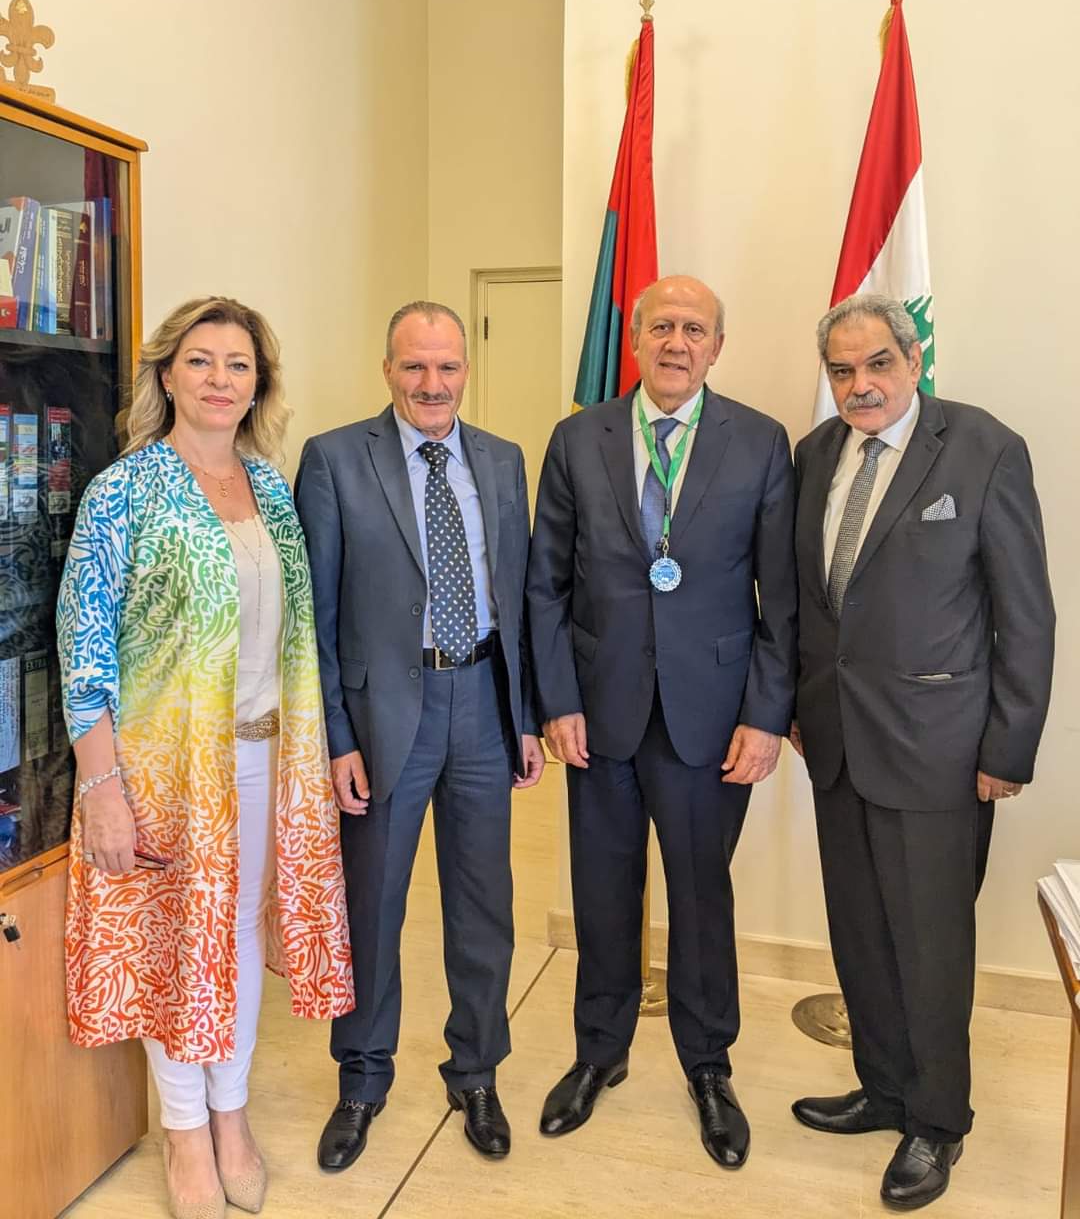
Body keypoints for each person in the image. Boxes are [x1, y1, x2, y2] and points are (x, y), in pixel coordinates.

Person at [57, 297, 354, 1219]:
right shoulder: (124, 490)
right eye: (201, 360)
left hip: (265, 761)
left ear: (258, 385)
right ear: (166, 374)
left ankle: (233, 1114)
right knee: (177, 945)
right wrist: (102, 787)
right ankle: (185, 1131)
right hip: (164, 770)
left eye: (238, 364)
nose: (220, 379)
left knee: (237, 940)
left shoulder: (269, 487)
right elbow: (84, 649)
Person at [789, 292, 1055, 1210]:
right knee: (861, 932)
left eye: (877, 364)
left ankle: (939, 1122)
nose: (860, 385)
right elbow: (811, 599)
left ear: (913, 358)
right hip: (837, 741)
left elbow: (1026, 613)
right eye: (842, 370)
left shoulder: (983, 448)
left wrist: (1009, 748)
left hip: (939, 750)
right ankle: (885, 1089)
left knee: (932, 945)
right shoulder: (816, 454)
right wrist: (795, 706)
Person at [527, 275, 797, 1169]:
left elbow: (781, 598)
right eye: (662, 327)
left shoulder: (760, 441)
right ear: (636, 339)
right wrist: (557, 700)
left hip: (709, 721)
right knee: (603, 894)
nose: (678, 342)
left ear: (717, 346)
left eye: (695, 329)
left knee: (701, 898)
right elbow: (545, 585)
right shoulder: (579, 438)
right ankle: (598, 1054)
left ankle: (708, 1067)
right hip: (599, 713)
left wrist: (765, 716)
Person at [295, 300, 544, 1170]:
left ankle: (476, 1071)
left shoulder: (503, 460)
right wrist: (336, 737)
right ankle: (362, 1078)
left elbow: (520, 599)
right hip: (382, 719)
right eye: (415, 366)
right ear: (388, 370)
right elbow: (315, 617)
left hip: (482, 701)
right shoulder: (334, 460)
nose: (432, 384)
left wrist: (524, 716)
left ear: (466, 368)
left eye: (446, 366)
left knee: (484, 908)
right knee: (374, 907)